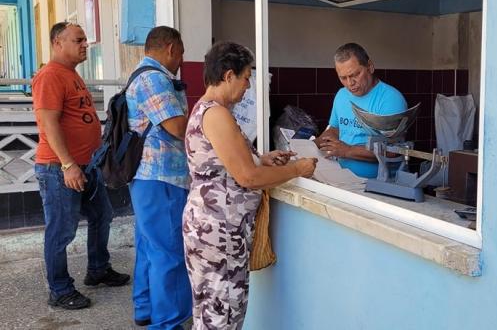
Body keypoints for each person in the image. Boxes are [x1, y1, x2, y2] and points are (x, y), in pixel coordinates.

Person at [183, 41, 317, 329]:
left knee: (210, 314)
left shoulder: (208, 110)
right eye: (246, 79)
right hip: (218, 233)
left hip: (214, 229)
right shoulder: (216, 114)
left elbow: (229, 164)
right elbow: (247, 178)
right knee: (222, 317)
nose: (247, 88)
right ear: (228, 76)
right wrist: (297, 169)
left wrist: (262, 159)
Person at [32, 22, 130, 310]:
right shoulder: (50, 76)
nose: (85, 44)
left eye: (85, 40)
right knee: (61, 230)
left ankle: (98, 269)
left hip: (88, 166)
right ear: (57, 43)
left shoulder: (71, 74)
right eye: (79, 40)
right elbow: (49, 124)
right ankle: (60, 289)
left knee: (102, 215)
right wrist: (67, 165)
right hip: (59, 169)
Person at [126, 26, 192, 329]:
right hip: (162, 177)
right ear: (169, 48)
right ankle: (168, 323)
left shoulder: (146, 76)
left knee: (150, 247)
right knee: (170, 254)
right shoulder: (154, 79)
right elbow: (177, 127)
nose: (181, 60)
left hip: (149, 179)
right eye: (180, 53)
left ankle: (145, 308)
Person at [314, 43, 408, 178]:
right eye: (343, 78)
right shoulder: (341, 95)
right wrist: (307, 147)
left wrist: (347, 151)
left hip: (380, 184)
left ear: (370, 66)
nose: (350, 83)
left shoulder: (390, 99)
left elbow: (393, 151)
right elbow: (335, 130)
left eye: (355, 74)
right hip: (343, 179)